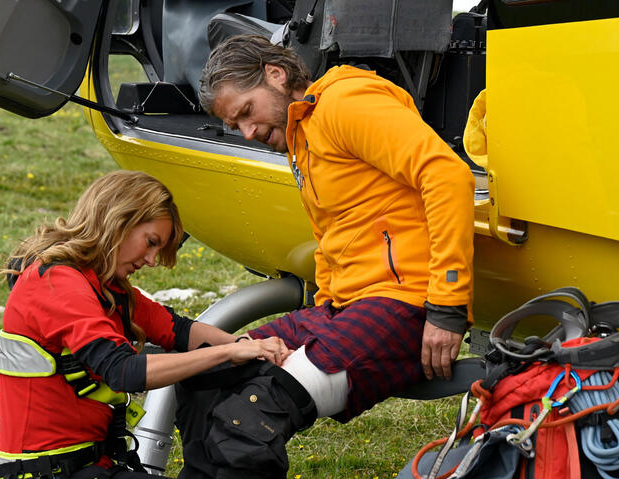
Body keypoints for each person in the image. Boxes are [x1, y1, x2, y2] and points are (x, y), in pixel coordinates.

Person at [174, 34, 475, 478]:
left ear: (275, 75)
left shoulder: (346, 103)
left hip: (405, 303)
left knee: (251, 419)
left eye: (246, 112)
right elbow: (337, 234)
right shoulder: (303, 134)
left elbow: (447, 176)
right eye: (235, 125)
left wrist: (447, 307)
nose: (249, 133)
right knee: (207, 374)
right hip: (343, 308)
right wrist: (322, 313)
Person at [0, 170, 290, 479]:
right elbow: (124, 372)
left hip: (88, 466)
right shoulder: (58, 284)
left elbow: (179, 330)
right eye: (150, 242)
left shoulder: (104, 286)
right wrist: (227, 353)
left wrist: (247, 347)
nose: (150, 260)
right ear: (118, 221)